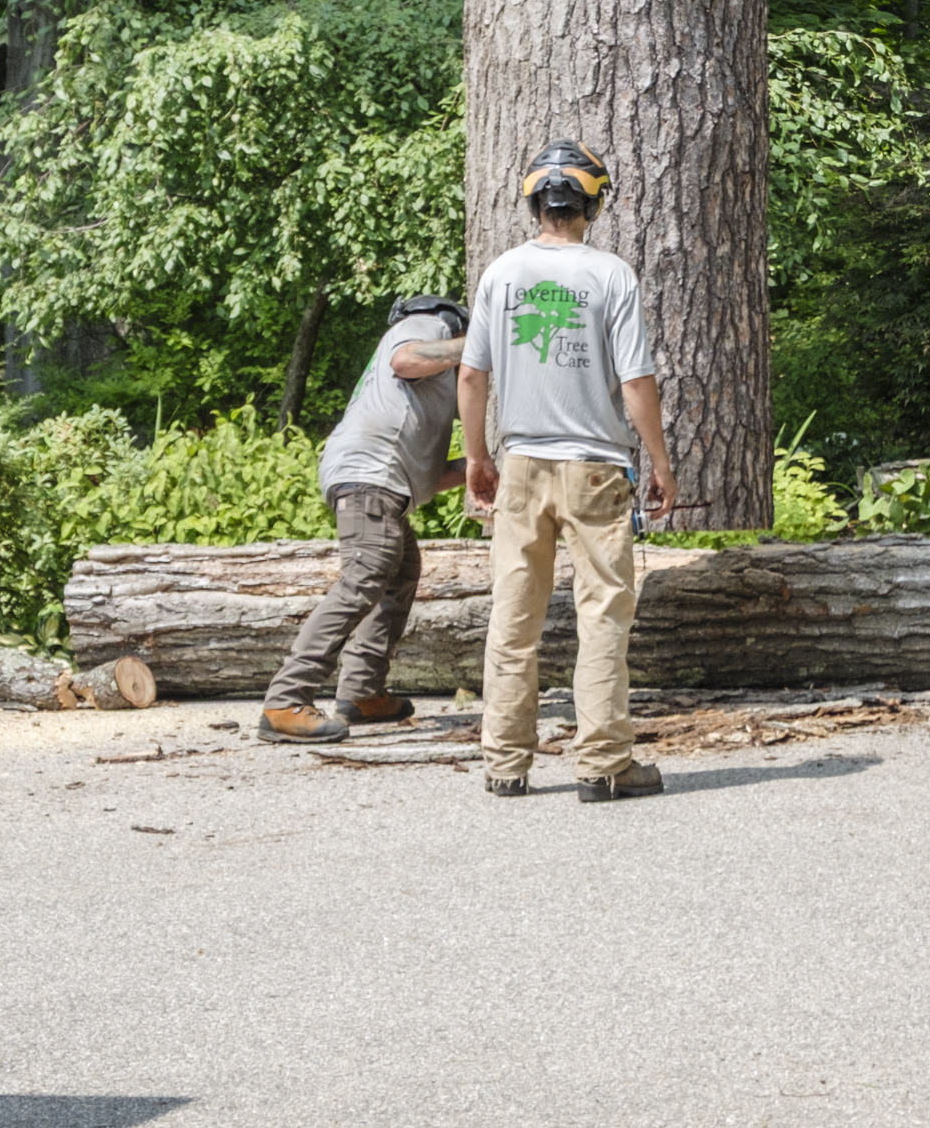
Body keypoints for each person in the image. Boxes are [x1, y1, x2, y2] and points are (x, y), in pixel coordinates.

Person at [459, 138, 678, 804]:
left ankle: (504, 764)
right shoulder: (611, 275)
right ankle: (604, 765)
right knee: (602, 617)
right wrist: (661, 464)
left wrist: (477, 458)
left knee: (514, 617)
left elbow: (472, 375)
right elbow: (637, 383)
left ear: (533, 202)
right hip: (595, 470)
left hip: (521, 465)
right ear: (594, 202)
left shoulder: (501, 275)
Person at [257, 293, 470, 745]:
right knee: (365, 575)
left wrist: (483, 466)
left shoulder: (421, 393)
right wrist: (482, 344)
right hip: (367, 477)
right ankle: (285, 698)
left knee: (400, 570)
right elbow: (407, 359)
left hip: (377, 479)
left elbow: (429, 474)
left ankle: (363, 690)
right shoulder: (426, 325)